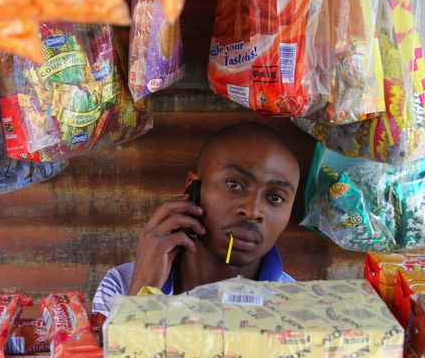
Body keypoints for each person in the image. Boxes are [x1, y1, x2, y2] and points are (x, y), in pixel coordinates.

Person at [92, 121, 301, 316]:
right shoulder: (122, 284)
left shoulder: (297, 309)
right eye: (234, 185)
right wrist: (142, 291)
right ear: (193, 187)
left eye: (275, 197)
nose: (253, 211)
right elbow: (112, 354)